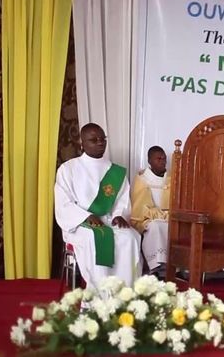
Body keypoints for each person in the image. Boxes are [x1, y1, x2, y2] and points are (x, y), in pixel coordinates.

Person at [54, 123, 142, 290]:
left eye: (103, 139)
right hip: (80, 224)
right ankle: (99, 296)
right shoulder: (68, 169)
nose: (100, 143)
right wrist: (86, 216)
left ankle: (125, 295)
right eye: (93, 140)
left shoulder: (115, 172)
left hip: (109, 221)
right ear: (82, 143)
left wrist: (119, 215)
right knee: (95, 238)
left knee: (129, 237)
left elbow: (122, 200)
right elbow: (63, 203)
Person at [131, 146, 170, 279]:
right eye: (158, 158)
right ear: (149, 161)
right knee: (155, 226)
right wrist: (159, 215)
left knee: (175, 227)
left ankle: (171, 267)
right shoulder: (142, 179)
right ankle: (156, 267)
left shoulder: (171, 179)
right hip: (147, 218)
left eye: (164, 158)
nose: (163, 161)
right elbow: (140, 206)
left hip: (169, 217)